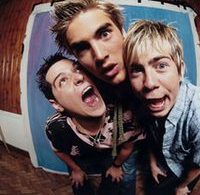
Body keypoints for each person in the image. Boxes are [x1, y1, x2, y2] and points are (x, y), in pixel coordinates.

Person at [50, 0, 145, 194]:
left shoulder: (152, 76)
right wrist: (76, 168)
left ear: (123, 32)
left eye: (104, 34)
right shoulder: (86, 85)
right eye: (83, 47)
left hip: (130, 146)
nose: (100, 55)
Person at [123, 20, 200, 195]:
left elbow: (198, 163)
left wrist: (182, 186)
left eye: (161, 66)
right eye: (137, 70)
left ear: (180, 70)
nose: (149, 83)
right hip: (160, 162)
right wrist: (153, 161)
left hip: (184, 173)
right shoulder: (143, 99)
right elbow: (149, 131)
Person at [36, 53, 144, 195]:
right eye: (62, 80)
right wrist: (75, 169)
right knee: (79, 186)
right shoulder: (56, 128)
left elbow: (127, 147)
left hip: (109, 153)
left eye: (78, 69)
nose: (79, 77)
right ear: (56, 105)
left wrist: (116, 166)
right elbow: (59, 150)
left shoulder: (125, 118)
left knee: (112, 183)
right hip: (81, 157)